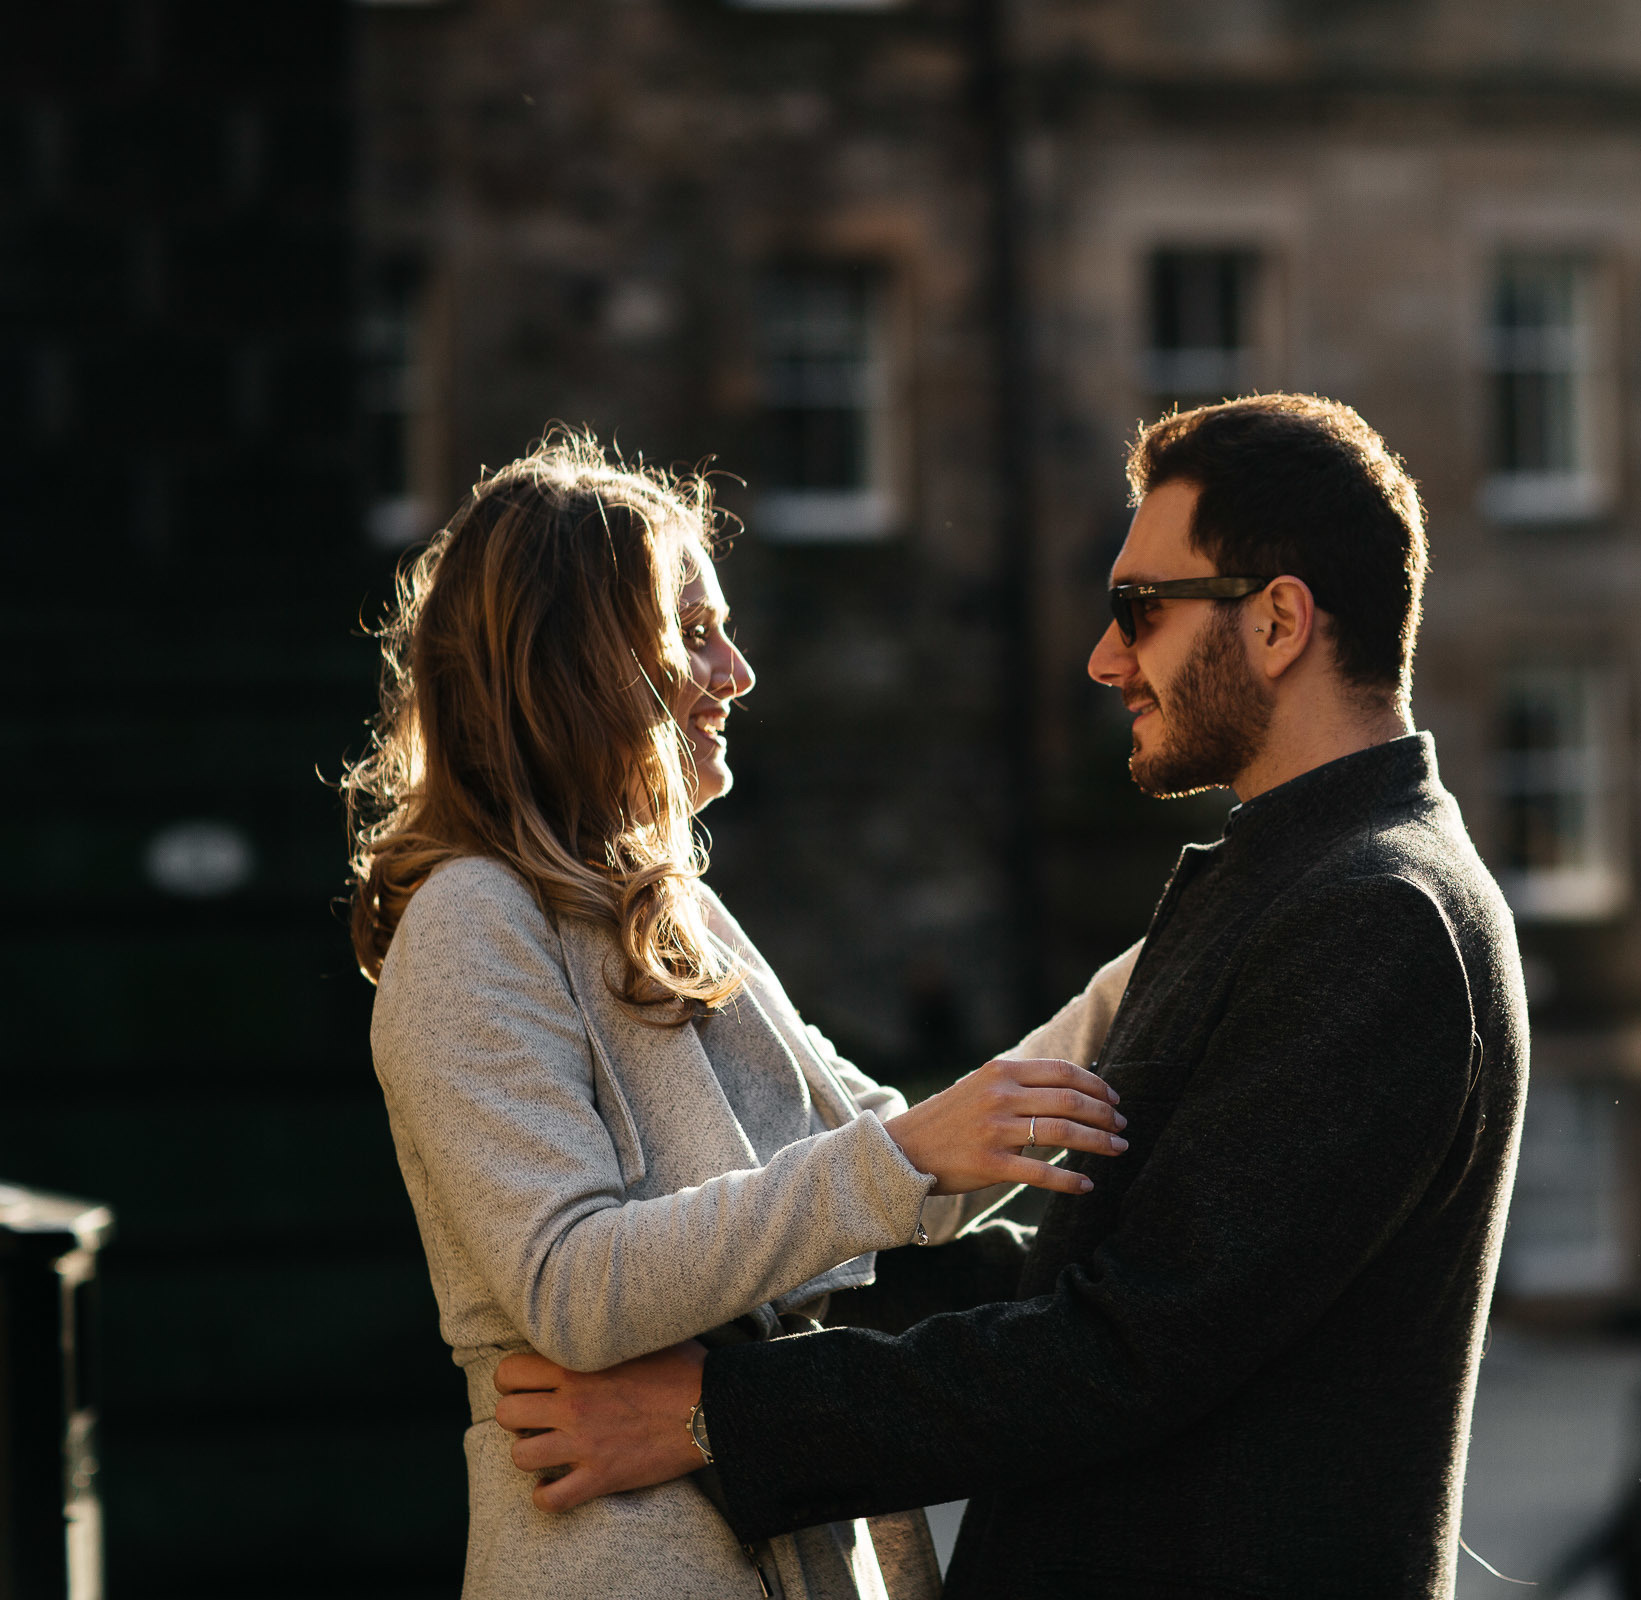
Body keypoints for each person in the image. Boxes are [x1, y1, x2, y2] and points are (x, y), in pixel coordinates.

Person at [494, 395, 1531, 1600]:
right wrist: (759, 1296)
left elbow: (1133, 1344)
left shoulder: (1379, 914)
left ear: (1281, 620)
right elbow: (1086, 1280)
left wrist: (719, 1416)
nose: (1104, 657)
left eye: (1140, 611)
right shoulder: (1300, 881)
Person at [342, 431, 1135, 1600]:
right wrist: (900, 1155)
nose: (738, 670)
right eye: (696, 633)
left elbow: (919, 1174)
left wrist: (1158, 971)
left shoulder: (676, 913)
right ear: (585, 659)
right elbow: (570, 1279)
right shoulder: (471, 919)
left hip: (789, 1528)